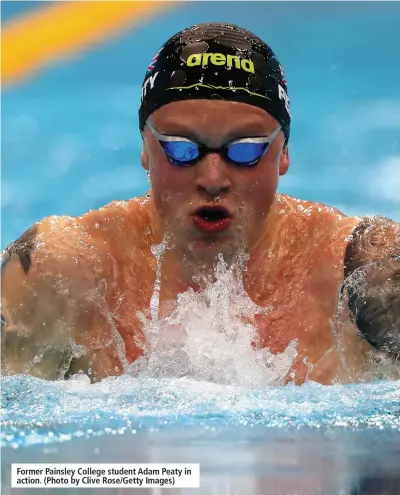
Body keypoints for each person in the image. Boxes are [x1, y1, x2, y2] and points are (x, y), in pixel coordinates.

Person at [1, 22, 399, 384]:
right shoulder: (64, 274)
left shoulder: (361, 274)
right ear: (145, 148)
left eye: (245, 151)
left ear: (284, 153)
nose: (212, 179)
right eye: (181, 149)